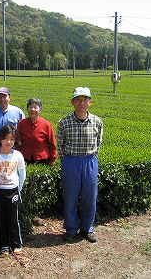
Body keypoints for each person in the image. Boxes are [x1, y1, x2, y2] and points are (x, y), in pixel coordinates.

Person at [56, 87, 103, 243]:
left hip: (90, 161)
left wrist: (91, 159)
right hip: (71, 162)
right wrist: (66, 163)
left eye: (85, 100)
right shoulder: (64, 122)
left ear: (90, 102)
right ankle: (70, 229)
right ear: (72, 102)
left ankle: (87, 229)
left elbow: (98, 144)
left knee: (90, 197)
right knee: (70, 197)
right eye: (78, 99)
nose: (81, 103)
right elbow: (60, 146)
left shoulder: (97, 122)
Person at [0, 125, 26, 255]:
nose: (8, 142)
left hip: (13, 191)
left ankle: (16, 244)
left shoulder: (18, 155)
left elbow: (22, 174)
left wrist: (18, 190)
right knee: (1, 219)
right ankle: (3, 245)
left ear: (16, 140)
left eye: (12, 139)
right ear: (0, 138)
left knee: (13, 219)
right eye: (5, 138)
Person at [17, 98, 57, 165]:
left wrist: (53, 158)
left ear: (40, 110)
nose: (33, 109)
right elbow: (18, 142)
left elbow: (52, 143)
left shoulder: (46, 124)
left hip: (42, 159)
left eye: (35, 107)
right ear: (27, 109)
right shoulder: (22, 123)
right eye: (30, 107)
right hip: (24, 157)